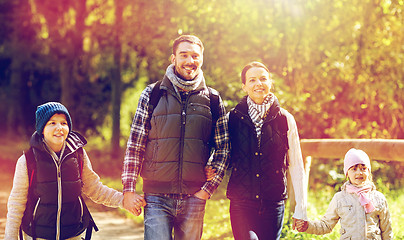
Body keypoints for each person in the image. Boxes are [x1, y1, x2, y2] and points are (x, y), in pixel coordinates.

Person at [121, 35, 229, 240]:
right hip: (156, 197)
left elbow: (223, 148)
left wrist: (207, 189)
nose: (190, 61)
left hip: (195, 197)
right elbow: (135, 144)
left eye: (195, 56)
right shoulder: (152, 94)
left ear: (202, 59)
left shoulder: (213, 99)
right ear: (173, 59)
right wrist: (128, 190)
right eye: (184, 55)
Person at [5, 102, 128, 240]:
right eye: (52, 123)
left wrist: (123, 200)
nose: (59, 128)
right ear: (42, 129)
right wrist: (10, 237)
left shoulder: (78, 155)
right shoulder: (27, 160)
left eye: (63, 123)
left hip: (72, 234)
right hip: (38, 235)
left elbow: (95, 189)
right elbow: (16, 203)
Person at [226, 61, 307, 240]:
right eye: (252, 80)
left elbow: (296, 165)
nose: (258, 84)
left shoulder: (285, 119)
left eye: (263, 79)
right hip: (241, 202)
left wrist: (301, 209)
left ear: (270, 82)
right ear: (244, 86)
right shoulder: (231, 118)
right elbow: (221, 155)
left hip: (273, 201)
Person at [295, 148, 393, 239]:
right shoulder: (340, 198)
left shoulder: (378, 198)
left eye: (363, 168)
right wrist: (307, 226)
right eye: (354, 169)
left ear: (368, 171)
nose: (359, 173)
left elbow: (386, 229)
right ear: (347, 173)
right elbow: (326, 225)